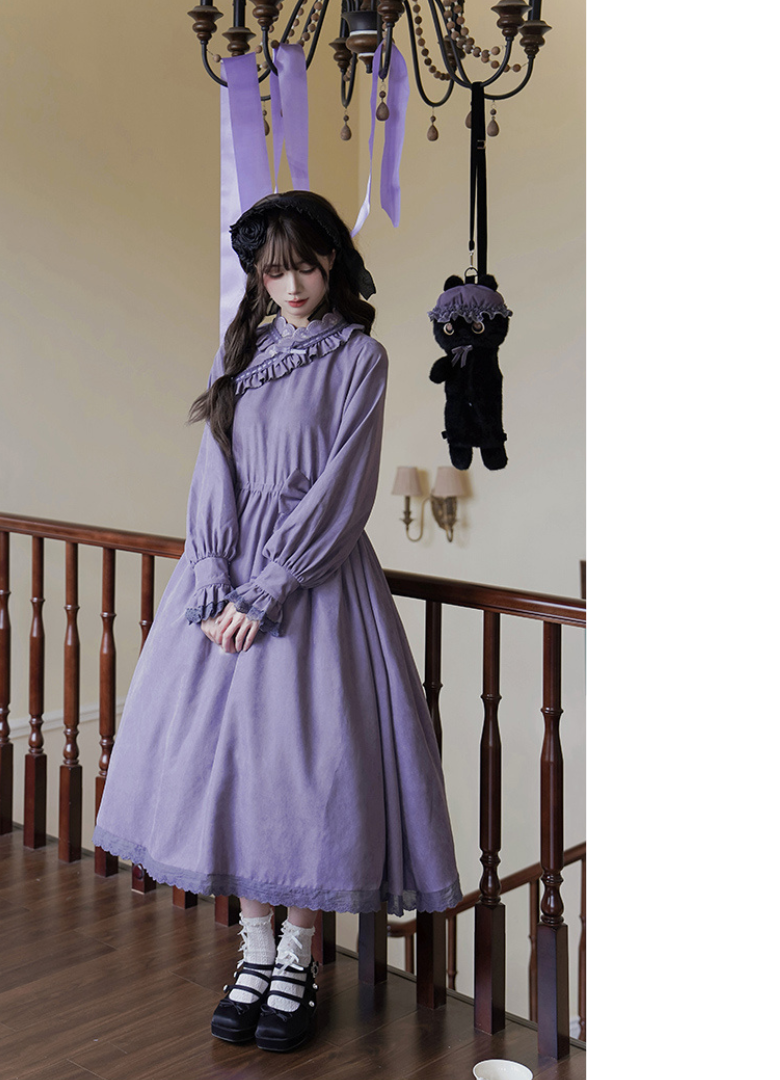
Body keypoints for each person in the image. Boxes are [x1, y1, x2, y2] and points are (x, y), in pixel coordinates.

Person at [92, 191, 462, 1053]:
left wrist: (269, 589)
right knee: (236, 775)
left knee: (307, 774)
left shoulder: (360, 358)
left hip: (312, 584)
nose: (291, 285)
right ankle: (254, 951)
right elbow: (213, 472)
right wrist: (213, 577)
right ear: (257, 277)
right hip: (224, 582)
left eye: (304, 266)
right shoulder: (245, 353)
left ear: (332, 261)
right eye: (273, 271)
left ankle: (298, 957)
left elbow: (345, 486)